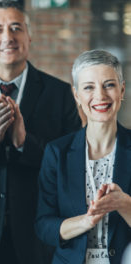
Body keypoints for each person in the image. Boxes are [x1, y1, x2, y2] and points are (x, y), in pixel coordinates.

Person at [0, 1, 81, 264]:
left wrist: (24, 142)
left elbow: (72, 164)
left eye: (16, 28)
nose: (8, 37)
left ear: (29, 36)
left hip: (38, 236)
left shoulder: (60, 93)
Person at [36, 49, 131, 264]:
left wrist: (125, 204)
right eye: (89, 87)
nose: (100, 95)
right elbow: (43, 225)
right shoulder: (56, 152)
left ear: (122, 90)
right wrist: (85, 222)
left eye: (109, 85)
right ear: (77, 95)